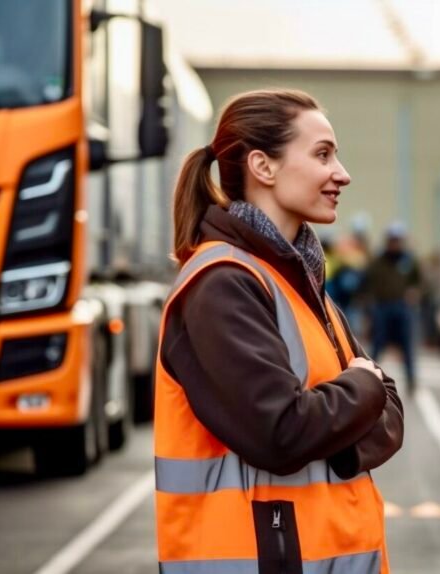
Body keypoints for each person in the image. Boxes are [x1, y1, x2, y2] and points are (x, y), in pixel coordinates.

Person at [155, 89, 403, 574]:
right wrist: (361, 389)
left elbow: (390, 412)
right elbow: (282, 433)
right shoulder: (222, 285)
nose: (342, 174)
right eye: (323, 154)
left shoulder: (302, 280)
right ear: (263, 168)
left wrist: (341, 420)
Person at [361, 222, 422, 394]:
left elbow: (418, 283)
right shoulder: (378, 261)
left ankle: (411, 381)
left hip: (403, 307)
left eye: (398, 240)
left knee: (407, 346)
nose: (395, 244)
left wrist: (414, 293)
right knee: (377, 344)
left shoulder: (409, 260)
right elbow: (366, 283)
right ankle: (369, 379)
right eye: (392, 240)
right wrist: (369, 306)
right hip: (382, 307)